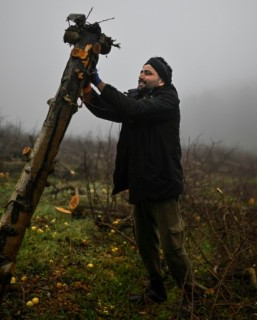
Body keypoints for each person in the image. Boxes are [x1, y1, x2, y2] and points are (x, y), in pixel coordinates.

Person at [82, 57, 194, 305]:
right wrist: (86, 90)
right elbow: (110, 110)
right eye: (141, 71)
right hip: (141, 184)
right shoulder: (137, 99)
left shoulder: (167, 101)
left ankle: (191, 296)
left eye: (149, 73)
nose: (141, 75)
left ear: (161, 79)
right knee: (146, 245)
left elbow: (133, 111)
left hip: (163, 186)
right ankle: (157, 290)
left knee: (172, 247)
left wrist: (99, 81)